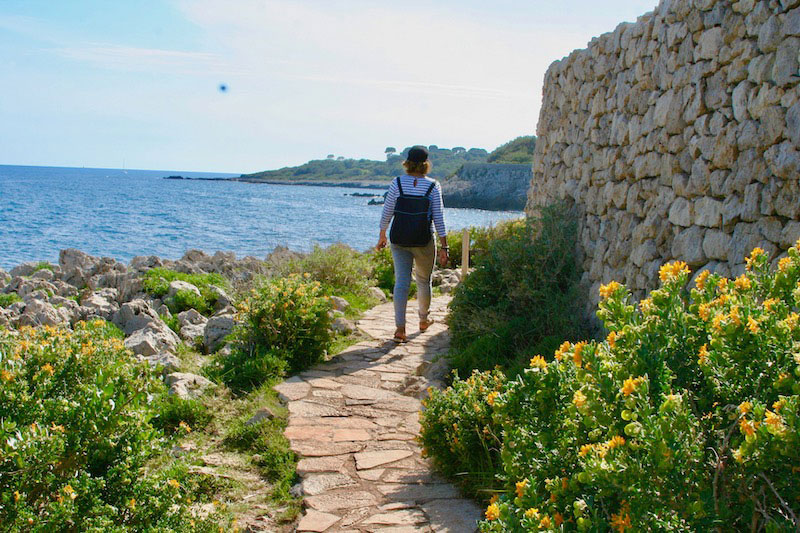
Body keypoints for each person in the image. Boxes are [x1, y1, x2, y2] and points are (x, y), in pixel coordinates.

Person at [376, 145, 448, 343]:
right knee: (424, 281)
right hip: (423, 240)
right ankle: (423, 321)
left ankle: (400, 329)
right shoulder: (433, 186)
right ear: (426, 165)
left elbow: (388, 210)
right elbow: (438, 217)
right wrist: (444, 246)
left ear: (407, 163)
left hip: (399, 239)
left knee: (401, 283)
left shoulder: (397, 183)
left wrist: (382, 234)